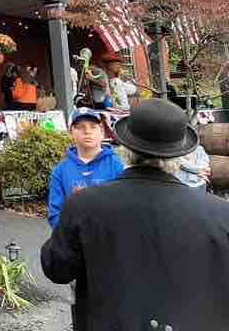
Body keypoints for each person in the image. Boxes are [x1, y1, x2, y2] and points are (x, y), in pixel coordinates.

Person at [41, 99, 229, 330]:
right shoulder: (221, 214)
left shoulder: (83, 206)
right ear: (181, 156)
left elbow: (56, 268)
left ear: (125, 149)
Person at [47, 108, 124, 230]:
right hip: (73, 242)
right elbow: (55, 214)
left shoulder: (116, 165)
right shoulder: (61, 170)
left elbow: (123, 208)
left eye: (93, 127)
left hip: (107, 240)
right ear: (71, 132)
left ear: (102, 132)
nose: (87, 131)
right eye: (80, 127)